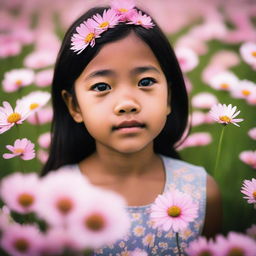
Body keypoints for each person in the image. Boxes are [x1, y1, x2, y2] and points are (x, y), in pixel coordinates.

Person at [42, 1, 222, 254]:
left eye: (146, 81)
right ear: (74, 106)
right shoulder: (57, 197)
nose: (127, 104)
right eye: (102, 87)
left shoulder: (202, 191)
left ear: (169, 96)